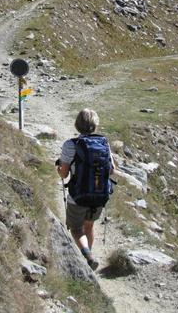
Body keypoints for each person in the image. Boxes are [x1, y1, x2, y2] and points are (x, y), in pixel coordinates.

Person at [56, 109, 114, 270]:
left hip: (78, 196)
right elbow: (111, 170)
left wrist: (59, 170)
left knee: (76, 228)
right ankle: (89, 257)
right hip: (99, 195)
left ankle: (87, 255)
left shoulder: (70, 145)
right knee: (89, 226)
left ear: (77, 125)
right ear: (95, 125)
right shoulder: (104, 142)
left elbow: (64, 173)